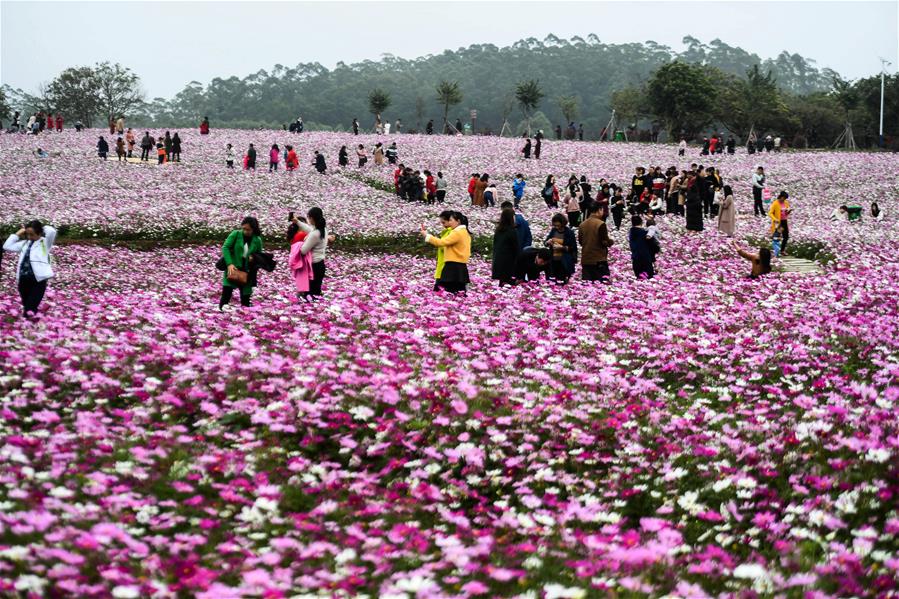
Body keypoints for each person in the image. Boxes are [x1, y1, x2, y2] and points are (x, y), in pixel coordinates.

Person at [4, 220, 58, 318]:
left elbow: (52, 231)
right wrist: (18, 233)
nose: (29, 237)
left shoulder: (45, 243)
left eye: (32, 234)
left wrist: (39, 227)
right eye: (27, 234)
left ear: (39, 232)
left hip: (38, 281)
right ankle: (35, 325)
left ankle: (29, 328)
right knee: (28, 307)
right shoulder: (25, 243)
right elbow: (7, 246)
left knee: (29, 309)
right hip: (23, 279)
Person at [219, 217, 262, 309]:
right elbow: (225, 247)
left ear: (253, 229)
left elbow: (259, 256)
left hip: (247, 272)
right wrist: (229, 263)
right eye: (244, 229)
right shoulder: (236, 234)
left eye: (248, 230)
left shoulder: (257, 240)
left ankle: (245, 319)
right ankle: (222, 312)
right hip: (233, 269)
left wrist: (253, 257)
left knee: (245, 299)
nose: (245, 231)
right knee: (226, 295)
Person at [422, 211, 471, 293]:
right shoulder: (464, 232)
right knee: (458, 291)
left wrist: (427, 236)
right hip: (460, 265)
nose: (449, 222)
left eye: (451, 220)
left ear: (458, 221)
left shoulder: (457, 232)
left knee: (448, 290)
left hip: (453, 265)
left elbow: (441, 243)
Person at [294, 207, 328, 298]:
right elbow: (309, 229)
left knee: (310, 294)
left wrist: (297, 245)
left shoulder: (315, 234)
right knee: (315, 292)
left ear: (312, 218)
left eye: (308, 217)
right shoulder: (322, 230)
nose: (308, 219)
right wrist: (297, 222)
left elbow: (303, 251)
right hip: (320, 264)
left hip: (313, 267)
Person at [578, 202, 614, 283]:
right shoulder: (600, 224)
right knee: (601, 284)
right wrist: (611, 242)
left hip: (586, 259)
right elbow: (604, 241)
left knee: (587, 286)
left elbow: (581, 241)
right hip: (598, 259)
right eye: (602, 210)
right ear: (599, 210)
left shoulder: (582, 224)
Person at [545, 213, 577, 283]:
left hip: (564, 261)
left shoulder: (569, 233)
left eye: (558, 225)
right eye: (555, 225)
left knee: (562, 281)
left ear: (562, 223)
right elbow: (546, 242)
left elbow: (573, 248)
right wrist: (548, 242)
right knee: (552, 281)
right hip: (553, 260)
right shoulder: (553, 231)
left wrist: (562, 247)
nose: (556, 227)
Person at [491, 207, 520, 286]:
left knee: (502, 283)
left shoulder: (499, 230)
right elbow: (516, 247)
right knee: (508, 284)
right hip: (508, 262)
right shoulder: (511, 231)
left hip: (498, 260)